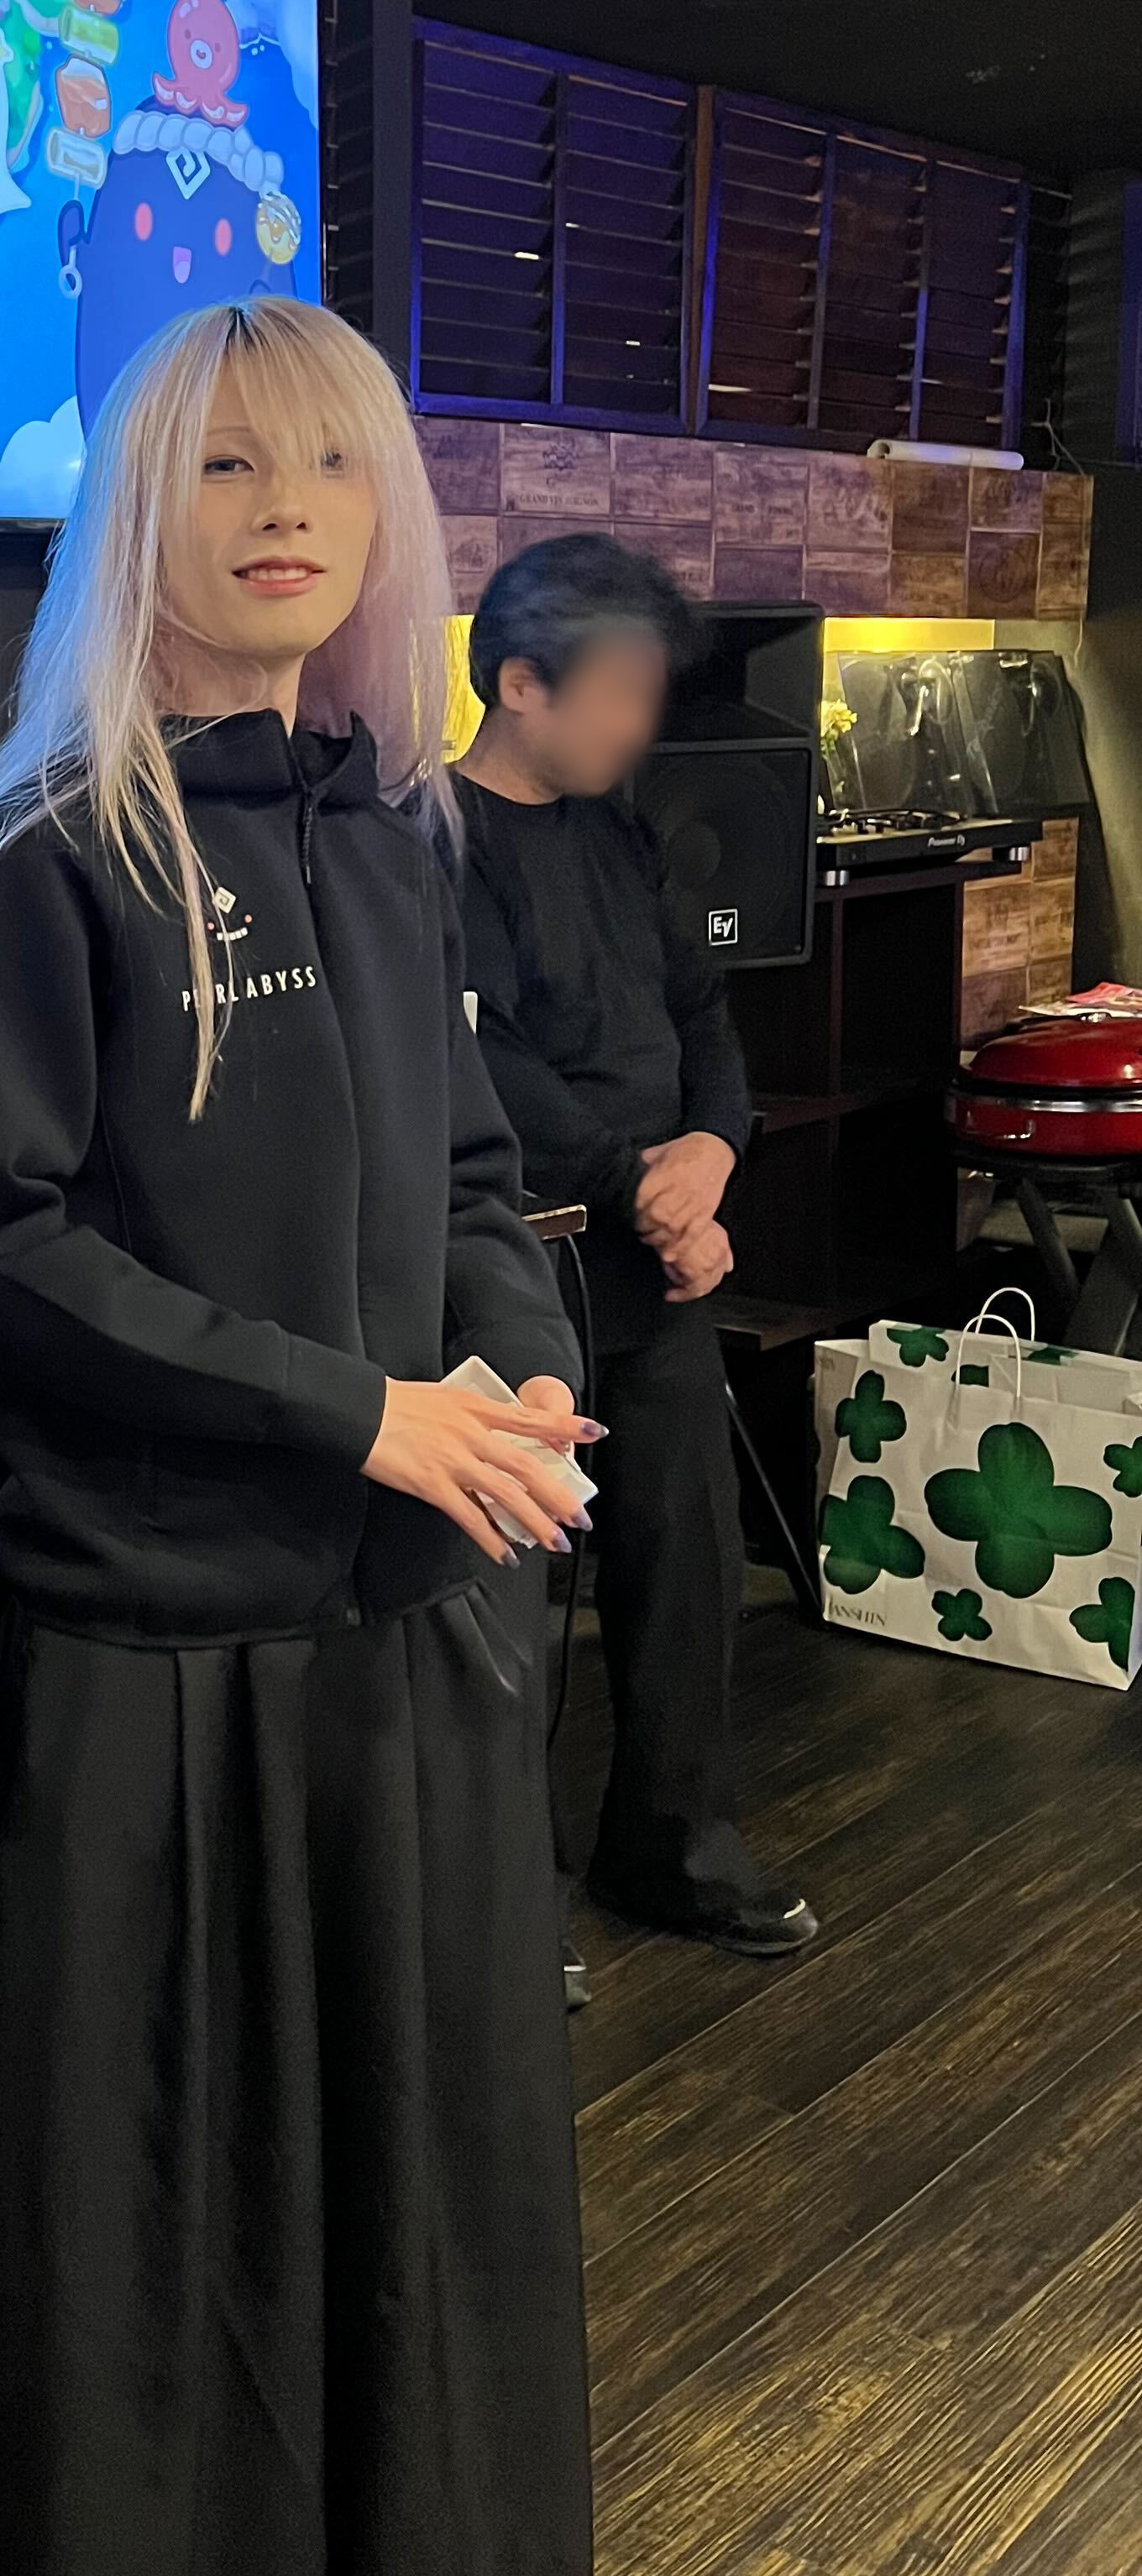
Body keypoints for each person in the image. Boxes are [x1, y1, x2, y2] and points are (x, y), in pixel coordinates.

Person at [0, 295, 595, 2576]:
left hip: (402, 1648)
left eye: (332, 466)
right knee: (164, 2235)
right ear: (132, 514)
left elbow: (480, 1182)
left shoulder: (391, 834)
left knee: (409, 2191)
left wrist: (511, 1378)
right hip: (161, 1675)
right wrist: (354, 1417)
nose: (287, 512)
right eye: (224, 468)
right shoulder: (44, 860)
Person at [452, 530, 819, 2003]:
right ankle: (506, 1901)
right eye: (615, 692)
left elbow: (705, 1015)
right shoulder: (432, 843)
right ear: (519, 684)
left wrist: (714, 1154)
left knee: (687, 1559)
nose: (637, 724)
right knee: (512, 1596)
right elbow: (480, 1062)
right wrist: (641, 1186)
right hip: (516, 1261)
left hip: (660, 1259)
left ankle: (674, 1848)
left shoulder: (621, 831)